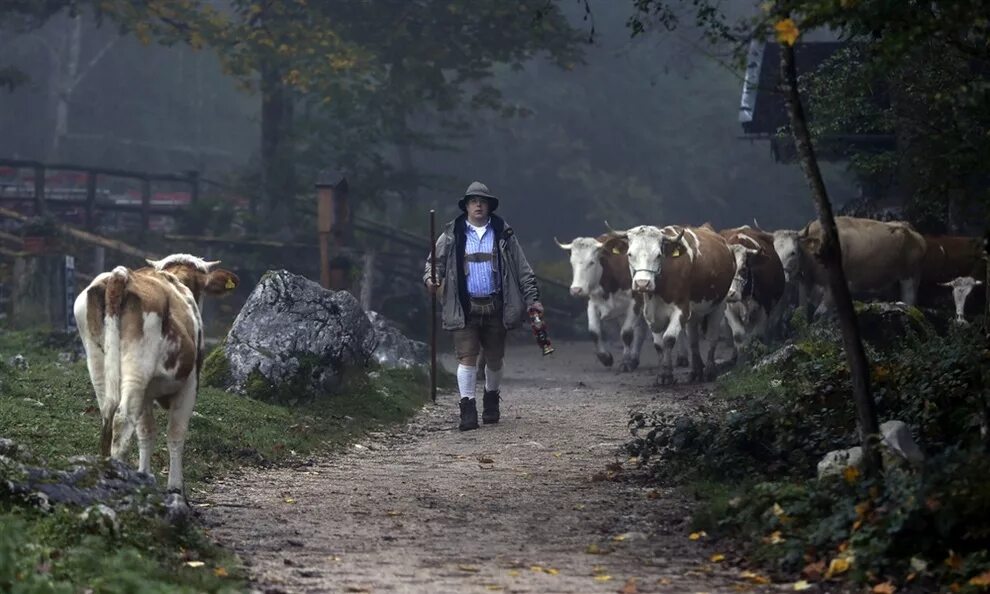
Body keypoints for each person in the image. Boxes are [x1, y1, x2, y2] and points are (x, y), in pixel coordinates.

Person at [424, 181, 543, 431]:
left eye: (482, 201)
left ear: (489, 206)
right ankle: (467, 408)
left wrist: (533, 299)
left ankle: (491, 398)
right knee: (466, 357)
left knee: (495, 359)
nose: (478, 205)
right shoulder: (452, 233)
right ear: (466, 206)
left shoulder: (503, 233)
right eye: (473, 201)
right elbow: (434, 264)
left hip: (496, 305)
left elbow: (523, 269)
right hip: (464, 307)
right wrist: (431, 279)